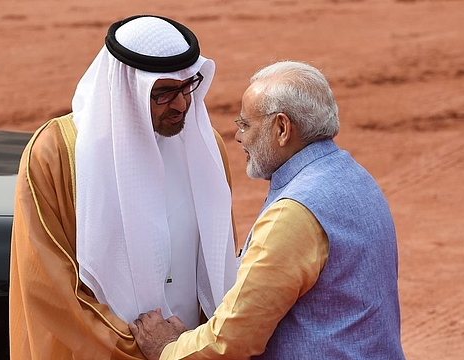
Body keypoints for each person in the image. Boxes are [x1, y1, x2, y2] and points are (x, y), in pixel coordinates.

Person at [129, 61, 406, 359]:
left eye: (245, 125)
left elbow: (232, 340)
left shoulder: (294, 213)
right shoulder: (354, 176)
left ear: (282, 129)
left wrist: (166, 349)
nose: (238, 137)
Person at [9, 15, 239, 359]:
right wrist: (148, 348)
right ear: (126, 91)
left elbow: (219, 266)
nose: (182, 104)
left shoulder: (205, 148)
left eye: (187, 86)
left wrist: (190, 348)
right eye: (162, 93)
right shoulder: (56, 154)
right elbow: (51, 288)